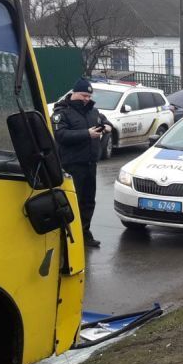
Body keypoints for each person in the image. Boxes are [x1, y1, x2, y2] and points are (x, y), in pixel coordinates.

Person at [52, 78, 111, 248]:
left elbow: (105, 121)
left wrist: (107, 127)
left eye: (89, 96)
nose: (86, 99)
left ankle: (85, 233)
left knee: (88, 201)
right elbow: (61, 136)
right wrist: (86, 134)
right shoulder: (61, 113)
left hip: (90, 164)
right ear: (74, 93)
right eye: (84, 95)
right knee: (71, 203)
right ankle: (67, 235)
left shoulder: (93, 111)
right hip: (71, 165)